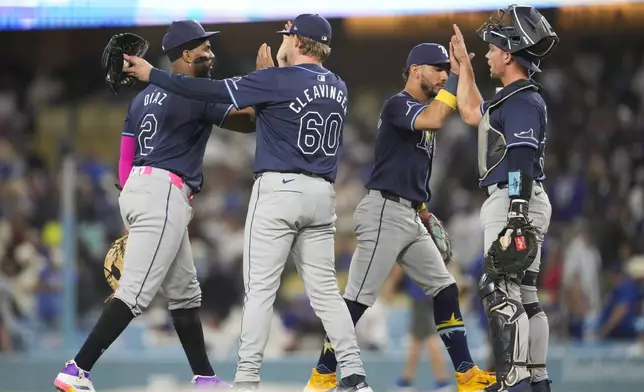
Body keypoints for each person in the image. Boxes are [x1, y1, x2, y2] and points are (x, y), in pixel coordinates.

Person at [123, 14, 374, 392]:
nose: (282, 42)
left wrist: (152, 74)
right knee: (325, 291)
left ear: (301, 43)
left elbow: (211, 92)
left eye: (287, 37)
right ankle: (354, 376)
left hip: (279, 191)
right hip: (322, 195)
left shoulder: (275, 78)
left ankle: (246, 380)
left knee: (260, 290)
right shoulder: (338, 86)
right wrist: (268, 80)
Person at [53, 20, 256, 392]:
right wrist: (267, 97)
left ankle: (205, 378)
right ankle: (77, 368)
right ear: (183, 55)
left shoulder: (141, 98)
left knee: (184, 291)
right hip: (164, 191)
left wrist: (134, 207)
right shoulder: (194, 93)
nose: (210, 53)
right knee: (134, 292)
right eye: (203, 47)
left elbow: (125, 156)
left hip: (139, 189)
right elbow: (247, 124)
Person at [302, 43, 495, 392]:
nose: (440, 74)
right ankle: (323, 375)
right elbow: (436, 118)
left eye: (443, 68)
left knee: (445, 288)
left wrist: (422, 209)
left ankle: (466, 374)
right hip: (383, 212)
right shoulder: (398, 105)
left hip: (409, 214)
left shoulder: (421, 109)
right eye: (435, 68)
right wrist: (455, 74)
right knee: (357, 300)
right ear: (415, 69)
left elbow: (411, 167)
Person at [449, 5, 559, 392]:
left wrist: (516, 212)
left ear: (509, 54)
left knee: (500, 290)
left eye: (493, 49)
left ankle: (514, 381)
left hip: (515, 198)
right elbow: (468, 111)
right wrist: (462, 67)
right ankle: (537, 381)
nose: (489, 55)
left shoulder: (522, 101)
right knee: (525, 294)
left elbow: (521, 157)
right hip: (524, 197)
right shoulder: (511, 98)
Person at [383, 265, 454, 392]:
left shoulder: (407, 245)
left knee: (429, 337)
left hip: (421, 294)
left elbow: (398, 268)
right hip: (427, 293)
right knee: (417, 338)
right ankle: (406, 380)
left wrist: (391, 288)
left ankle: (443, 381)